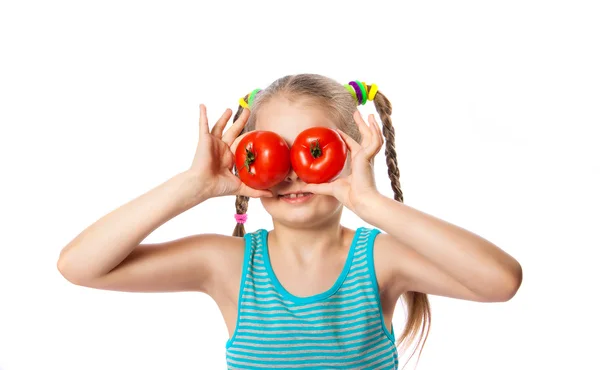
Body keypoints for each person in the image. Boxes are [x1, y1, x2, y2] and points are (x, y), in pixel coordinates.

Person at [57, 73, 523, 369]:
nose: (296, 170)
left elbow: (500, 281)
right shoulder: (227, 264)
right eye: (274, 151)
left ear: (354, 150)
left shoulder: (379, 260)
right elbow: (80, 266)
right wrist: (193, 186)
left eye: (313, 147)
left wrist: (370, 202)